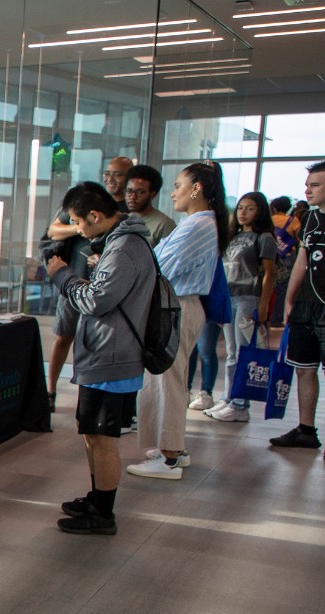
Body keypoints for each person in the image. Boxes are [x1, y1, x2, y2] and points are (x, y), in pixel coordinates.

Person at [46, 182, 157, 534]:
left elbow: (96, 300)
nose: (78, 230)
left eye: (79, 222)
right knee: (91, 433)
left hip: (114, 355)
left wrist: (62, 276)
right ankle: (97, 497)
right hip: (104, 353)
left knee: (104, 438)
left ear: (95, 215)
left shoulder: (124, 247)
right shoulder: (115, 242)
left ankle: (103, 514)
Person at [127, 161, 229, 480]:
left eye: (178, 186)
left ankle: (169, 457)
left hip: (177, 307)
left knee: (167, 380)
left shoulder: (198, 224)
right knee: (168, 379)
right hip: (177, 306)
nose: (173, 194)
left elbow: (161, 267)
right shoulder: (200, 223)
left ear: (196, 188)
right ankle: (173, 449)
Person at [45, 157, 136, 410]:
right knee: (64, 335)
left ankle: (87, 398)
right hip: (72, 280)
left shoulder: (125, 222)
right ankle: (50, 391)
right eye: (107, 173)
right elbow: (53, 230)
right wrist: (80, 226)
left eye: (117, 174)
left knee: (93, 341)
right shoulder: (85, 205)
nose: (111, 179)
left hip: (103, 289)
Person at [273, 160, 325, 461]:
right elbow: (302, 261)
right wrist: (290, 301)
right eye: (308, 185)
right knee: (304, 369)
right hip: (305, 306)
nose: (308, 190)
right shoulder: (310, 219)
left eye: (315, 185)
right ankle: (305, 430)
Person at [204, 192, 277, 422]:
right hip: (229, 297)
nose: (243, 213)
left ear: (260, 211)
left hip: (248, 298)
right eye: (241, 208)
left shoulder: (264, 238)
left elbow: (269, 274)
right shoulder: (232, 237)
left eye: (250, 208)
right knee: (231, 352)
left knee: (243, 353)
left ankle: (240, 404)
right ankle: (228, 398)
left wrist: (263, 306)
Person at [125, 164, 177, 246]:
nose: (132, 197)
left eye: (140, 192)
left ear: (153, 194)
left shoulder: (164, 224)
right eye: (129, 191)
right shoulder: (124, 219)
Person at [269, 195, 300, 326]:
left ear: (274, 208)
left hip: (271, 256)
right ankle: (277, 319)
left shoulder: (270, 220)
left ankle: (265, 316)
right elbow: (299, 239)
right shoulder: (294, 221)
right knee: (282, 289)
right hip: (287, 257)